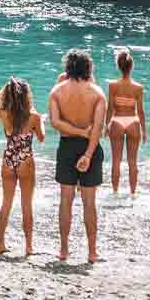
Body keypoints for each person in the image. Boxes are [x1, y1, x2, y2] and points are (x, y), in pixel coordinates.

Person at [49, 49, 107, 264]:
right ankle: (92, 252)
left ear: (68, 67)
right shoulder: (98, 93)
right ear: (88, 68)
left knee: (65, 200)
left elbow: (55, 123)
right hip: (90, 147)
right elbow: (98, 128)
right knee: (89, 203)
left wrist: (76, 131)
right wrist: (88, 155)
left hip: (66, 146)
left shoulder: (57, 91)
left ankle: (64, 250)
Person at [0, 79, 45, 257]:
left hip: (8, 158)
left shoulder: (2, 113)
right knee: (26, 205)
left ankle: (0, 243)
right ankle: (29, 247)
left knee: (6, 203)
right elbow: (41, 137)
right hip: (25, 159)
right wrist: (41, 122)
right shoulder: (34, 116)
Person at [107, 48, 147, 198]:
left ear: (118, 66)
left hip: (117, 121)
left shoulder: (112, 86)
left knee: (116, 161)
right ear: (132, 67)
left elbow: (110, 108)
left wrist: (106, 126)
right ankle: (132, 193)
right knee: (132, 162)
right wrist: (144, 130)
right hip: (133, 122)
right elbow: (141, 111)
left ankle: (115, 192)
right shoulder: (138, 87)